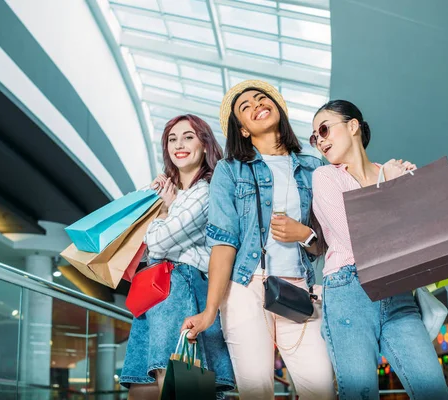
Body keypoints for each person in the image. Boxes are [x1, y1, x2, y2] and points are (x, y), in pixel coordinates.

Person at [181, 80, 335, 400]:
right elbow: (224, 242)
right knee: (256, 392)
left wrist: (304, 234)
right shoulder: (230, 170)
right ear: (244, 129)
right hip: (245, 288)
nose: (256, 105)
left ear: (277, 108)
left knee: (320, 388)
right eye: (245, 107)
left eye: (261, 98)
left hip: (297, 289)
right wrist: (210, 311)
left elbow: (328, 241)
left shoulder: (313, 167)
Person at [310, 100, 448, 399]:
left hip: (399, 293)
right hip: (349, 291)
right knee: (359, 393)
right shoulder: (326, 177)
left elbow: (416, 236)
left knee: (433, 389)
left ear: (352, 125)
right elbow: (354, 237)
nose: (320, 140)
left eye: (323, 129)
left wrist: (408, 186)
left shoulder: (392, 171)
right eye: (314, 137)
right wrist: (390, 186)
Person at [120, 114, 234, 399]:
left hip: (180, 286)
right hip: (155, 291)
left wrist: (163, 211)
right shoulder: (169, 190)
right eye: (172, 139)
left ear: (205, 145)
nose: (179, 144)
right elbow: (126, 222)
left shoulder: (205, 191)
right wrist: (154, 194)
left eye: (188, 137)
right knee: (142, 389)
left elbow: (156, 244)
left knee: (178, 383)